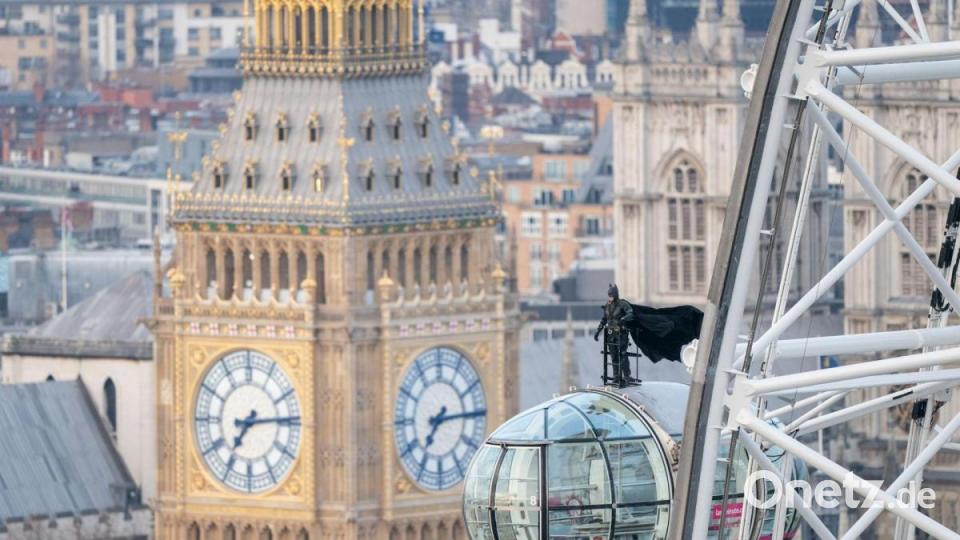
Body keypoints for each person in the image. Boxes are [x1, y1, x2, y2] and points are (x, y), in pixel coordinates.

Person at [594, 284, 636, 386]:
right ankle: (616, 376)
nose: (610, 297)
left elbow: (631, 313)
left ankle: (626, 376)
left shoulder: (623, 304)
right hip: (610, 333)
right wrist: (598, 331)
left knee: (622, 354)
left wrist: (623, 319)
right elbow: (604, 320)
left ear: (615, 294)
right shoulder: (607, 306)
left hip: (621, 333)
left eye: (611, 295)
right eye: (609, 295)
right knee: (613, 356)